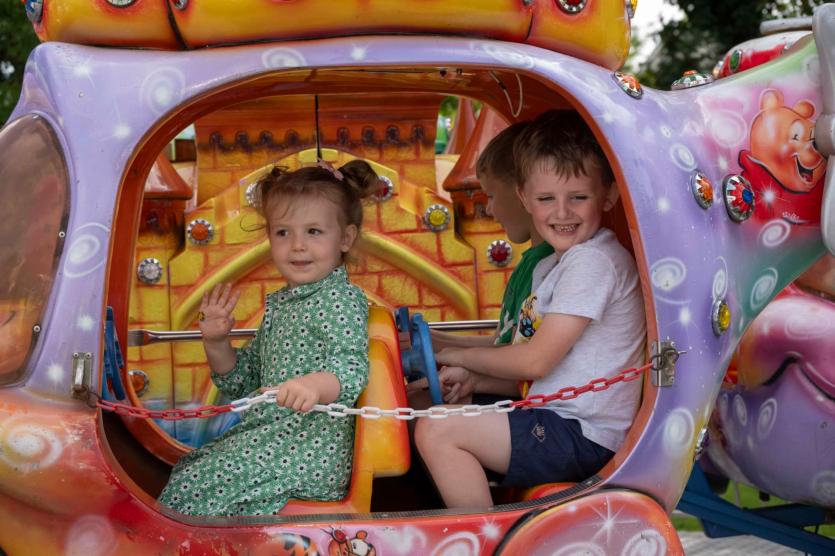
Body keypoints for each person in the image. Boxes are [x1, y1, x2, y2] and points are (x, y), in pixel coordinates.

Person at [414, 110, 646, 508]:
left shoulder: (594, 261)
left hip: (583, 434)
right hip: (551, 419)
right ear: (525, 198)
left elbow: (535, 362)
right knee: (422, 406)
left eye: (578, 197)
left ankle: (483, 536)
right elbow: (537, 375)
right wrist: (473, 378)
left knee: (439, 431)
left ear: (607, 196)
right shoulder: (550, 267)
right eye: (546, 199)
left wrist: (455, 354)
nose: (562, 212)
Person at [158, 159, 380, 516]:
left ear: (346, 238)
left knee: (195, 483)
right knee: (191, 472)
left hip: (306, 453)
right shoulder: (286, 304)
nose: (297, 246)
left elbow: (350, 368)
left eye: (314, 231)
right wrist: (216, 342)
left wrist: (312, 385)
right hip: (271, 442)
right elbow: (242, 381)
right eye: (283, 233)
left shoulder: (339, 299)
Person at [414, 121, 555, 404]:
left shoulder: (548, 266)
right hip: (515, 384)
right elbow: (505, 341)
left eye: (490, 196)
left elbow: (520, 356)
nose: (488, 208)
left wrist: (449, 353)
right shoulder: (531, 262)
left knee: (419, 405)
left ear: (522, 193)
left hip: (531, 397)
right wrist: (432, 340)